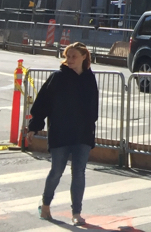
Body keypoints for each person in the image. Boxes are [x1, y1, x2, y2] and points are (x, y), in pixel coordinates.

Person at [28, 42, 99, 226]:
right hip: (60, 131)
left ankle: (76, 212)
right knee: (56, 171)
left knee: (79, 173)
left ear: (84, 57)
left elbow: (94, 108)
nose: (70, 60)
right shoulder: (57, 77)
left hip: (82, 133)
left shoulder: (89, 79)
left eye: (74, 56)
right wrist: (34, 126)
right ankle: (45, 205)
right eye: (68, 56)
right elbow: (42, 103)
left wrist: (90, 129)